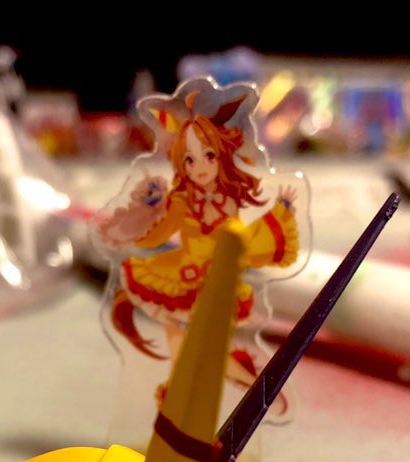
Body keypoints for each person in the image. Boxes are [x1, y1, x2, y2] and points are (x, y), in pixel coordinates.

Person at [98, 88, 300, 401]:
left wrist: (278, 217)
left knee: (211, 344)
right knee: (177, 333)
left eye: (209, 156)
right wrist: (141, 224)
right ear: (181, 163)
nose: (200, 167)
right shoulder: (181, 201)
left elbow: (237, 239)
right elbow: (160, 234)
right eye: (189, 160)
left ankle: (244, 383)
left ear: (221, 155)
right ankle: (182, 387)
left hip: (217, 278)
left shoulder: (228, 199)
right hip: (181, 273)